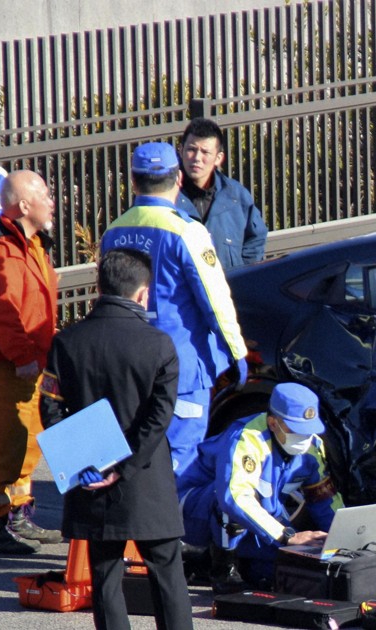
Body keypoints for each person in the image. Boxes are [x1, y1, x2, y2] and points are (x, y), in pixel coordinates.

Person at [39, 248, 193, 630]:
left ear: (98, 288)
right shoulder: (159, 346)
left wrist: (86, 464)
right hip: (147, 481)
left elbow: (50, 409)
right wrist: (124, 466)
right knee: (168, 576)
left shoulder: (67, 343)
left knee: (105, 577)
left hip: (89, 478)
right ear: (143, 293)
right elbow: (158, 418)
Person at [101, 142, 248, 478]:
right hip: (181, 369)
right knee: (179, 462)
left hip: (127, 367)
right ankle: (171, 530)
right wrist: (236, 353)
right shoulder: (186, 231)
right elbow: (215, 300)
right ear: (178, 179)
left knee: (133, 456)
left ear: (134, 183)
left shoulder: (113, 231)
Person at [178, 382, 342, 593]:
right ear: (273, 423)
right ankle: (223, 570)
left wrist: (342, 538)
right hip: (194, 512)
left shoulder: (313, 448)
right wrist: (287, 535)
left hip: (257, 520)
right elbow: (235, 499)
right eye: (296, 430)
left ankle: (224, 563)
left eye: (309, 431)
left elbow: (323, 498)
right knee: (228, 500)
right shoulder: (247, 438)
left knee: (284, 566)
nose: (304, 438)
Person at [0, 169, 63, 553]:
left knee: (27, 443)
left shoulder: (32, 244)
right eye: (45, 194)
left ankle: (17, 514)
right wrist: (22, 357)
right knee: (4, 444)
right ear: (23, 205)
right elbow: (2, 313)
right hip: (9, 367)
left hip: (32, 364)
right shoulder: (1, 249)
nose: (52, 201)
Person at [175, 118, 268, 269]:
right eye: (191, 149)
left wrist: (243, 271)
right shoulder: (166, 196)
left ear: (218, 158)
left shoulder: (235, 196)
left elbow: (256, 237)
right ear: (181, 150)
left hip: (228, 289)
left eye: (205, 152)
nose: (197, 158)